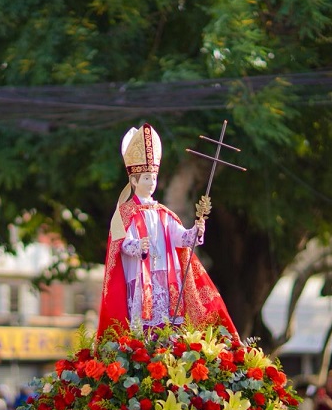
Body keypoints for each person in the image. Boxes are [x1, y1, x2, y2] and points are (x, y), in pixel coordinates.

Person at [96, 123, 238, 337]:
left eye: (153, 177)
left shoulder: (164, 213)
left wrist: (195, 232)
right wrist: (138, 246)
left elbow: (180, 238)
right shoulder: (125, 213)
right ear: (133, 180)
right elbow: (121, 244)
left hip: (167, 273)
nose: (151, 182)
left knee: (169, 322)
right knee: (143, 325)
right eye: (146, 178)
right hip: (140, 275)